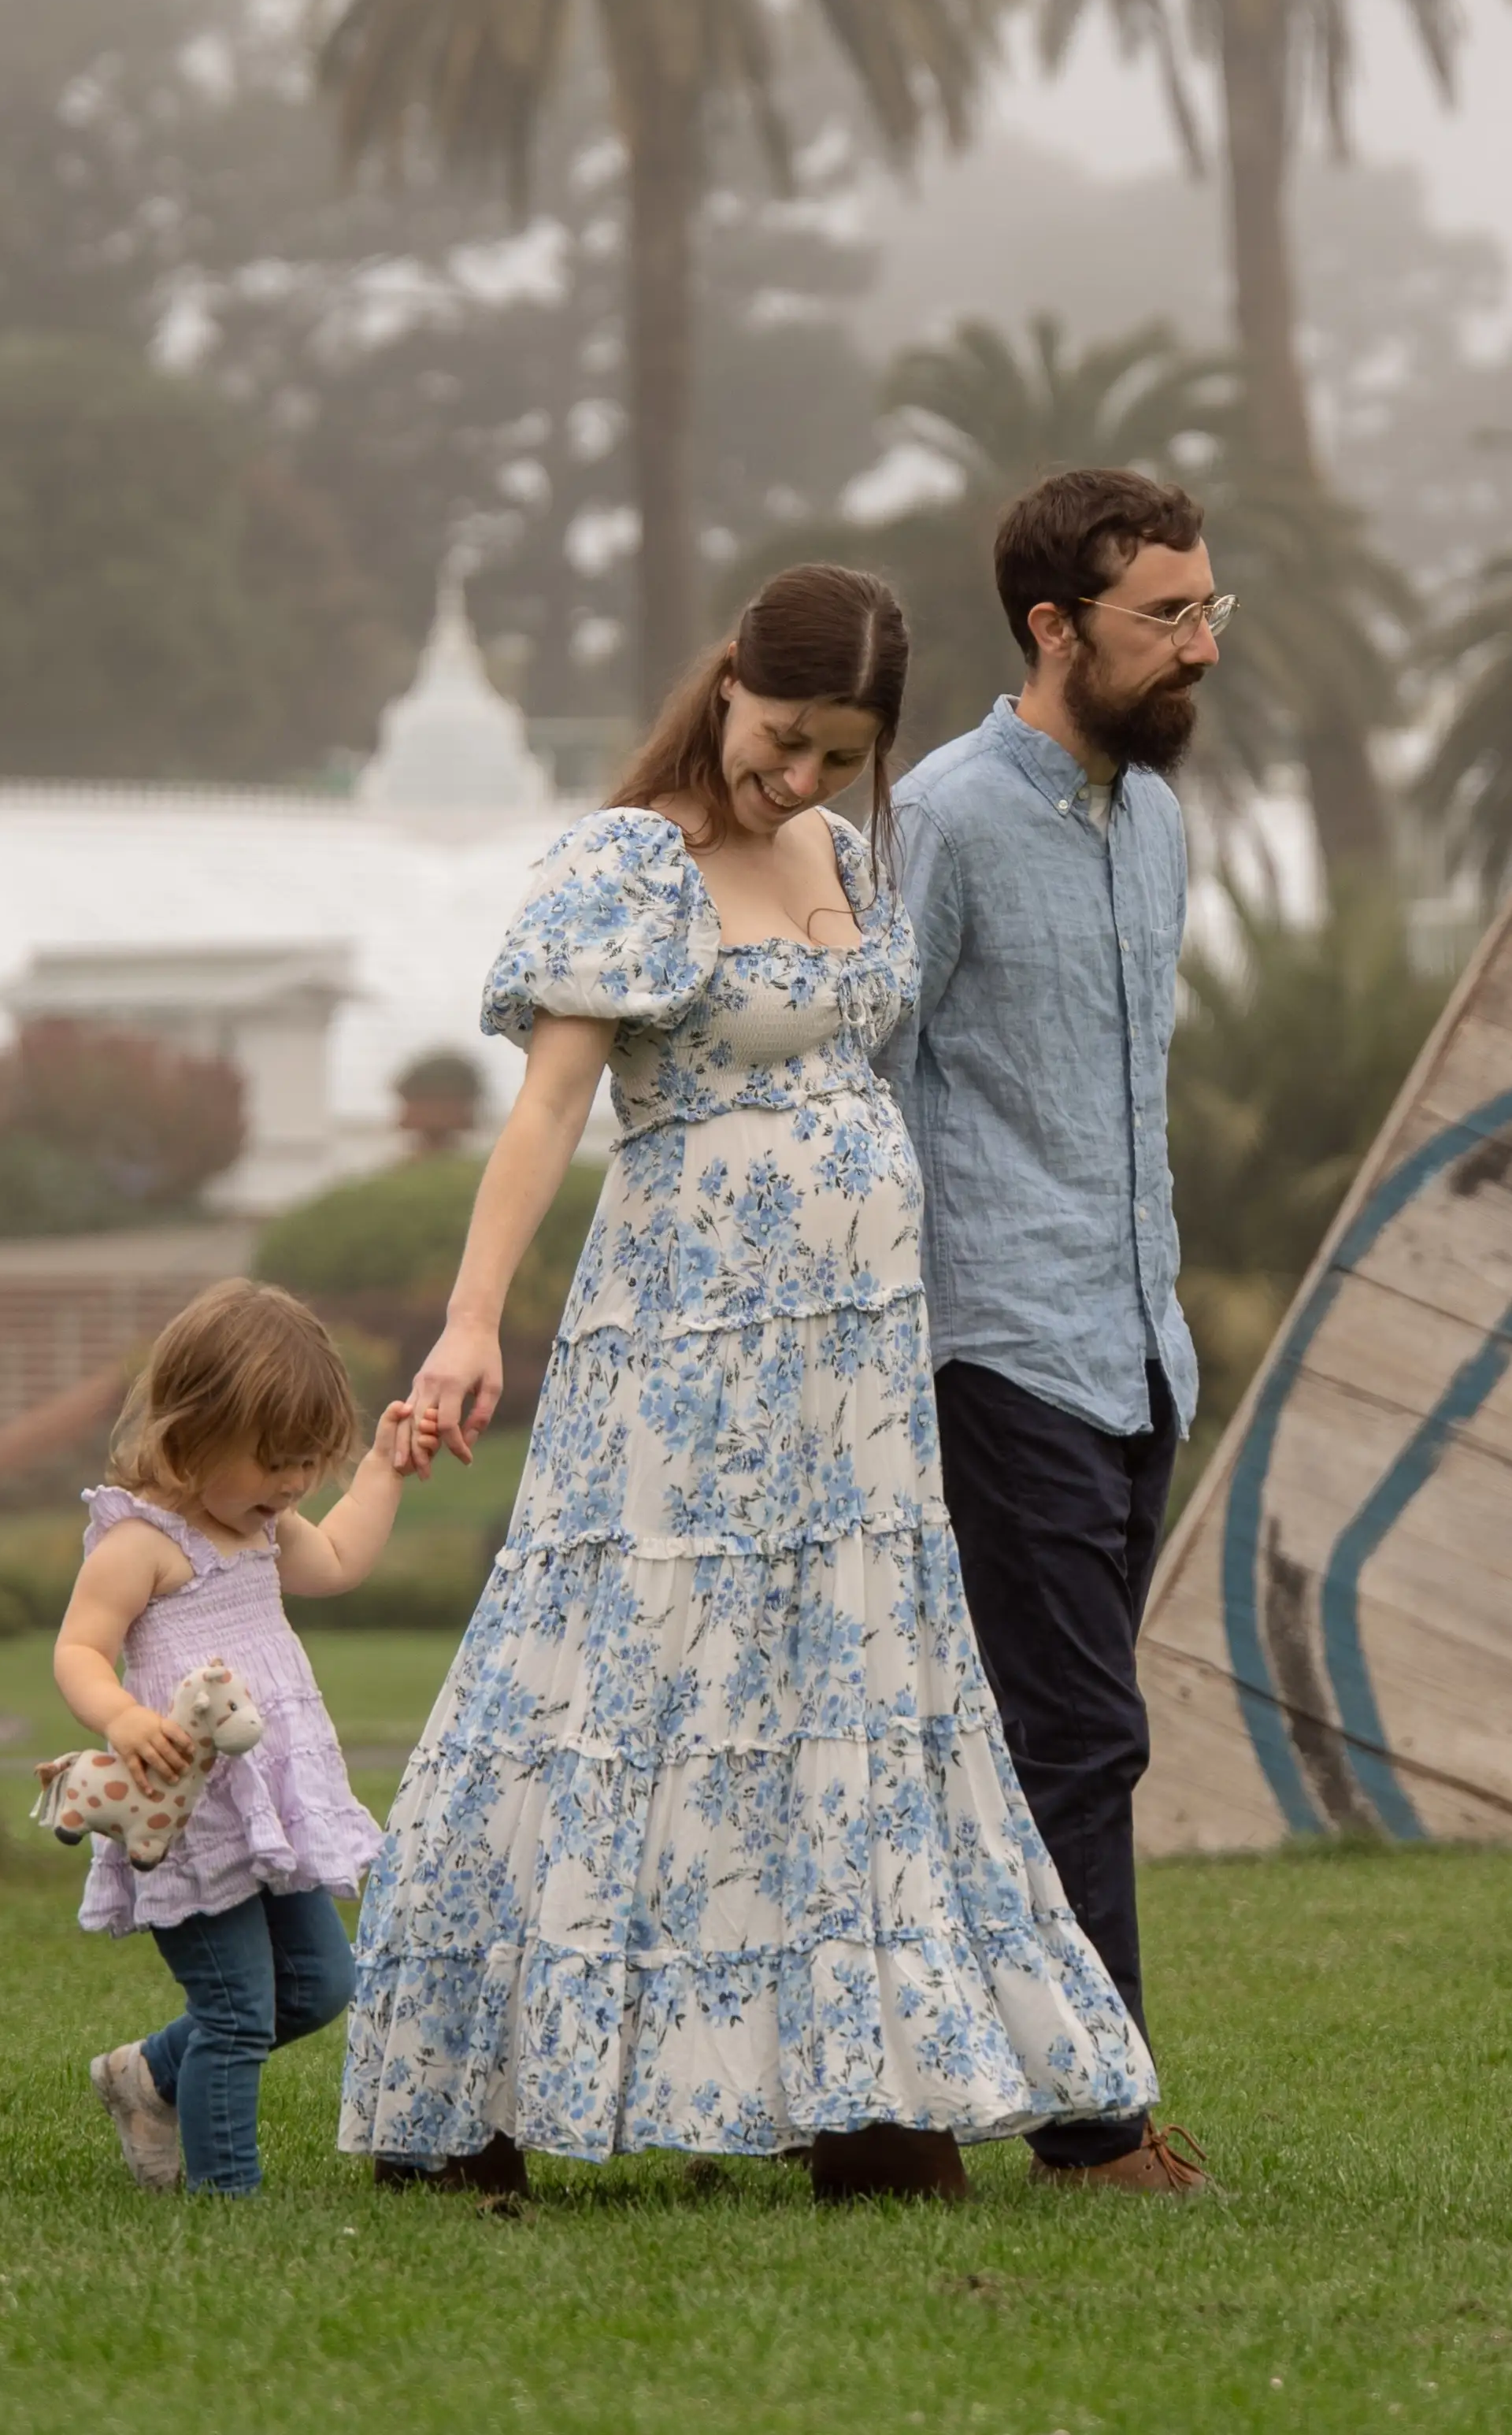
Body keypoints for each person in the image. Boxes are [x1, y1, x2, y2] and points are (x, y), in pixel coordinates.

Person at [340, 561, 1154, 2201]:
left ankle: (863, 2088)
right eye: (780, 738)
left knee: (839, 1687)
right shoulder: (629, 859)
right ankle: (467, 2094)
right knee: (624, 1671)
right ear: (725, 685)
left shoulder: (844, 854)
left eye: (835, 753)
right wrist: (469, 1320)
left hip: (849, 1363)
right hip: (687, 1346)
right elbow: (549, 1109)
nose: (795, 776)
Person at [877, 468, 1223, 2198]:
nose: (1198, 647)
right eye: (1164, 616)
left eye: (1207, 608)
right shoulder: (941, 817)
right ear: (1051, 626)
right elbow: (869, 1082)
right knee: (1077, 1736)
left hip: (1137, 1350)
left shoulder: (1155, 819)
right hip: (992, 1345)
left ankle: (920, 2093)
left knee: (1039, 1738)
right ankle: (1092, 2129)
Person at [54, 1279, 414, 2198]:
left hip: (271, 1815)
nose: (293, 1485)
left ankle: (147, 2078)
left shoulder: (267, 1527)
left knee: (321, 1983)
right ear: (189, 1434)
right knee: (237, 2010)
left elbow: (337, 1563)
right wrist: (123, 1716)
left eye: (308, 1463)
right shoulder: (142, 1542)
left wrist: (380, 1469)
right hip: (194, 1820)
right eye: (273, 1462)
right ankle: (228, 2199)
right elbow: (81, 1649)